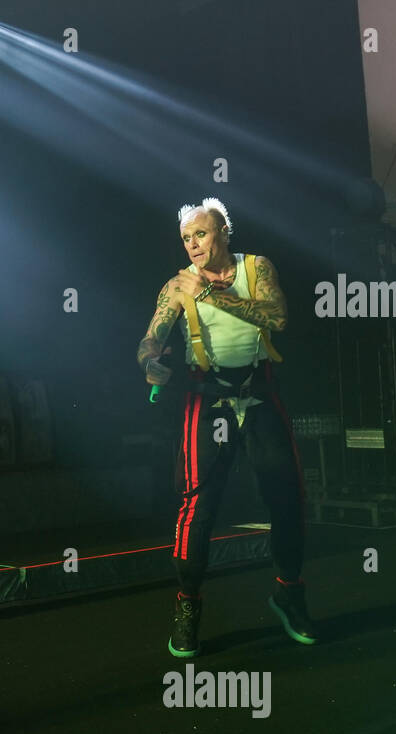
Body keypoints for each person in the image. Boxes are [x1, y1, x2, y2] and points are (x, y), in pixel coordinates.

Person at [135, 198, 316, 658]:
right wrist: (150, 360)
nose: (193, 245)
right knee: (198, 507)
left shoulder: (257, 268)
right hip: (206, 397)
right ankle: (188, 606)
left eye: (201, 234)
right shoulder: (177, 285)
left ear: (224, 232)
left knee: (287, 495)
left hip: (259, 392)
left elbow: (278, 318)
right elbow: (151, 336)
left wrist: (212, 295)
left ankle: (289, 593)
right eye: (186, 239)